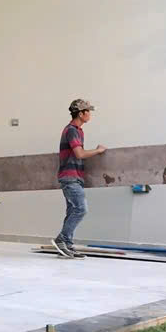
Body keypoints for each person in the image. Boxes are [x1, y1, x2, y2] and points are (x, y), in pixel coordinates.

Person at [52, 99, 106, 258]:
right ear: (81, 114)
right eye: (88, 111)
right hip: (70, 177)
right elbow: (79, 154)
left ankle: (67, 244)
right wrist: (98, 151)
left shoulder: (77, 131)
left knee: (72, 211)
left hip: (74, 176)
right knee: (81, 209)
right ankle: (61, 239)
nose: (90, 114)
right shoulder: (72, 130)